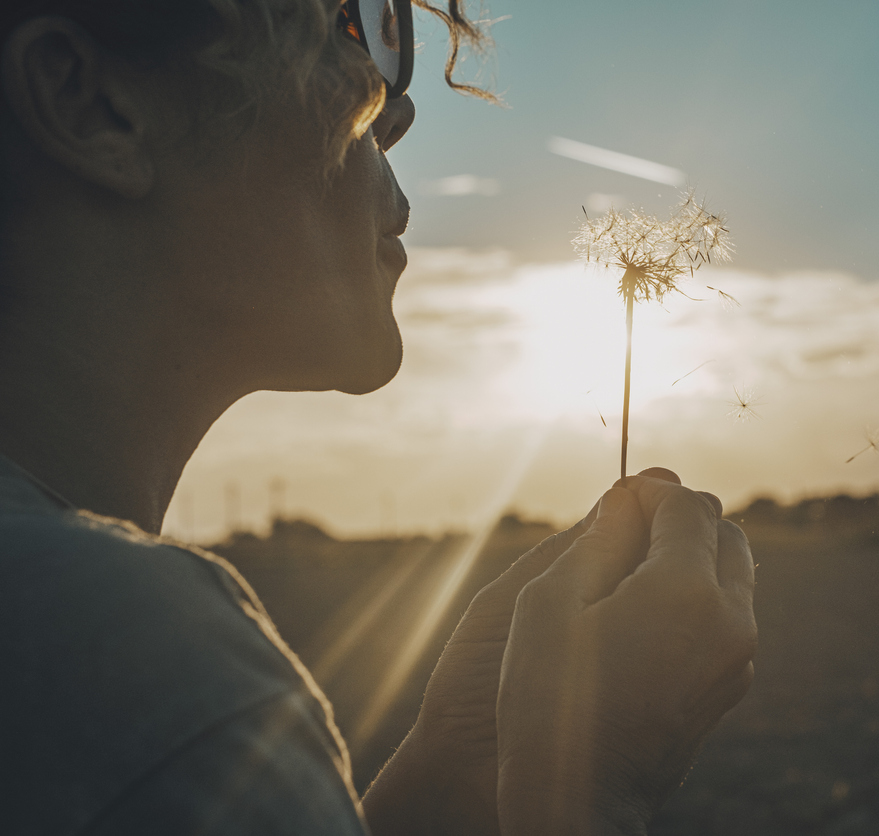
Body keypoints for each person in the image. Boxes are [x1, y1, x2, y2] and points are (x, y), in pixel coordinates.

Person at [0, 2, 758, 834]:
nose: (392, 112)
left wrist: (459, 771)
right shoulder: (125, 672)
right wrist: (587, 786)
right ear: (90, 102)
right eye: (336, 28)